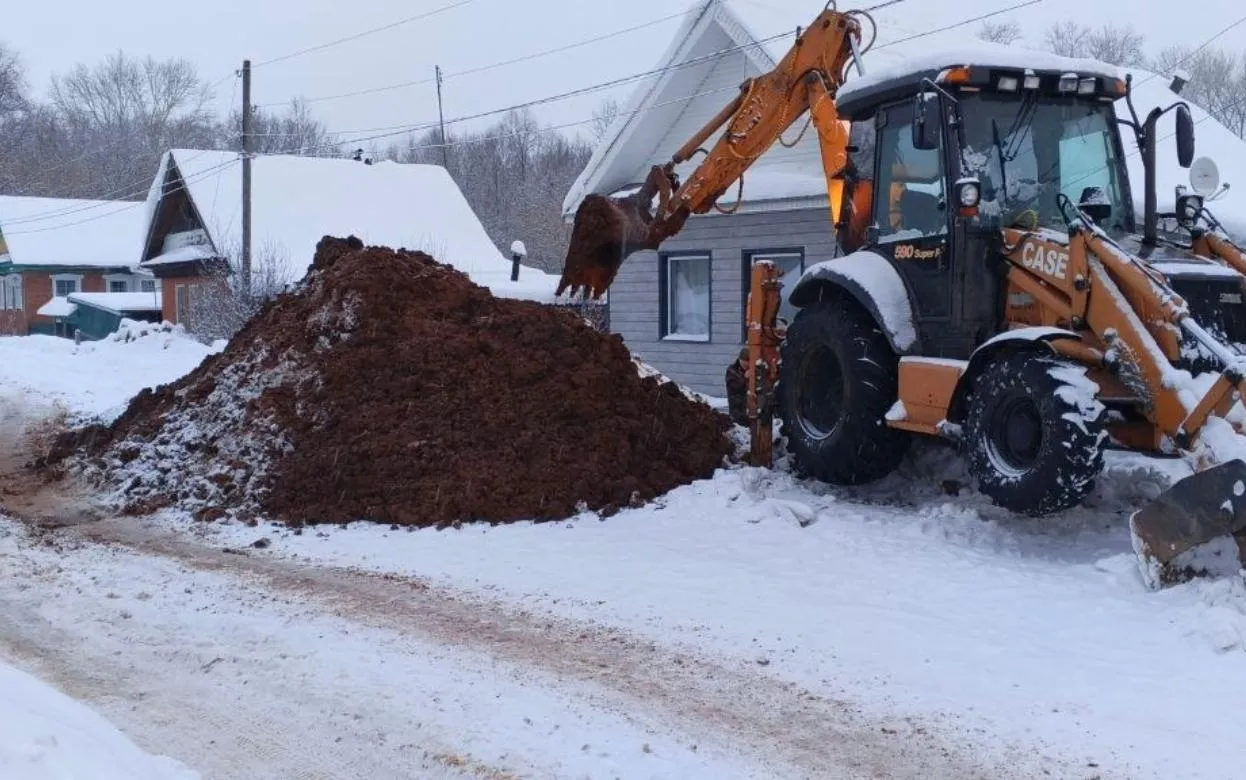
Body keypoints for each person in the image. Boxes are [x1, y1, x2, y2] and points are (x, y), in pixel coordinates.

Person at [725, 347, 750, 427]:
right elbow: (734, 386)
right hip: (736, 409)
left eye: (748, 361)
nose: (746, 364)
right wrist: (745, 378)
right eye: (744, 361)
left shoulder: (751, 370)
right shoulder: (732, 370)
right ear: (739, 359)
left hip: (748, 409)